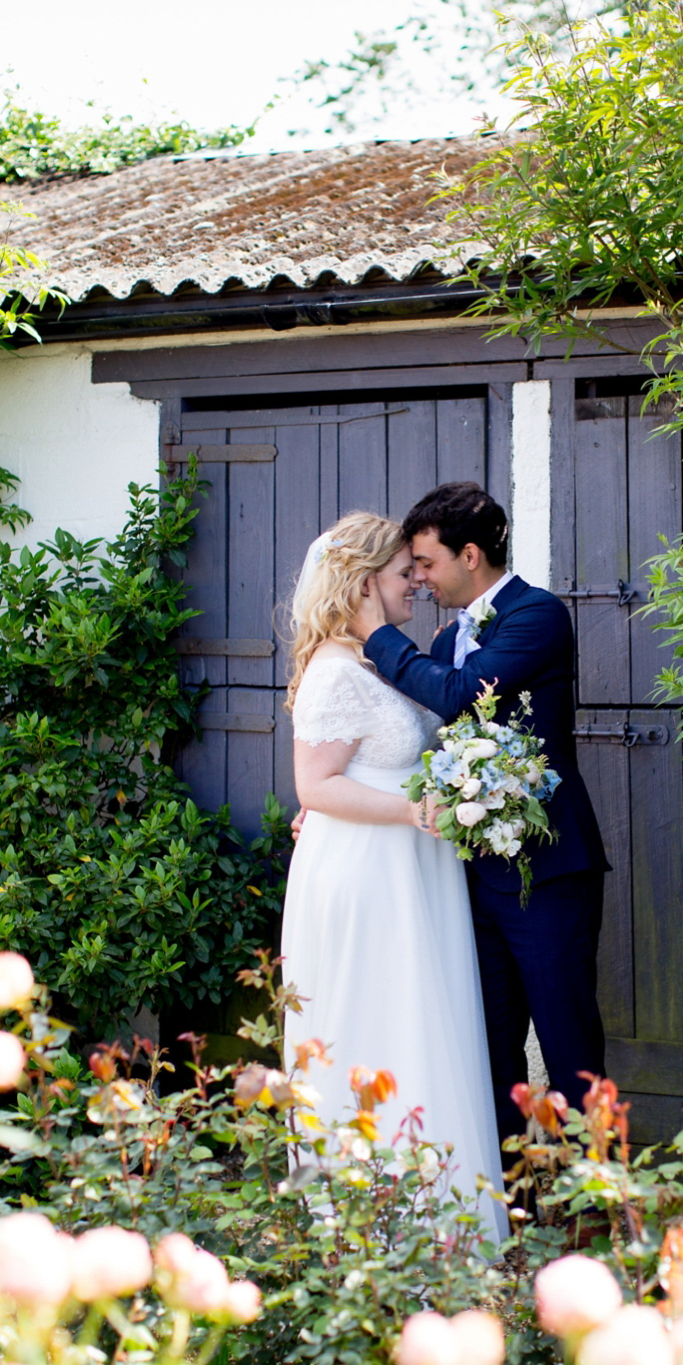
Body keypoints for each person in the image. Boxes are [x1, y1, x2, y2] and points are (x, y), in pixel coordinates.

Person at [351, 481, 610, 1145]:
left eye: (428, 564)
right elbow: (414, 739)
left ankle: (603, 1208)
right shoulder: (445, 639)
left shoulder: (538, 616)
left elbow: (464, 694)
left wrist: (377, 635)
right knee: (490, 1052)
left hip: (548, 870)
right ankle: (513, 1208)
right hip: (471, 877)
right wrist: (332, 806)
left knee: (569, 1046)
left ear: (471, 555)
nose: (422, 579)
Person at [281, 510, 507, 1239]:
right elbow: (315, 787)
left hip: (407, 871)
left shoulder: (374, 662)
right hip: (372, 873)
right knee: (380, 1022)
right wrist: (412, 811)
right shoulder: (335, 672)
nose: (417, 579)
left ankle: (436, 1215)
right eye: (403, 569)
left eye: (418, 566)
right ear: (363, 581)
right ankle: (379, 1225)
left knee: (419, 1020)